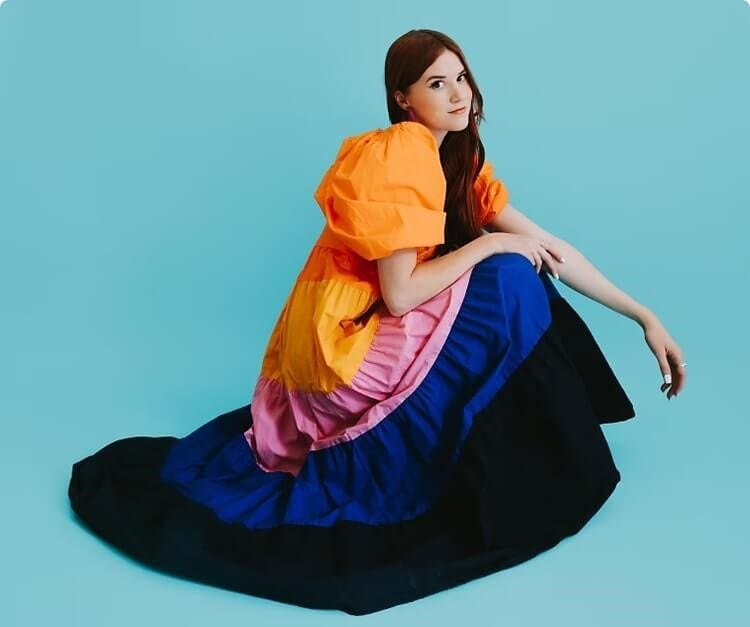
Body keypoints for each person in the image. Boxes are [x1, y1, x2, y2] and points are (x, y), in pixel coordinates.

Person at [68, 29, 687, 615]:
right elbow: (399, 293)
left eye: (461, 77)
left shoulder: (457, 162)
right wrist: (489, 244)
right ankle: (522, 463)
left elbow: (551, 247)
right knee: (507, 277)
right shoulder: (403, 152)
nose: (457, 93)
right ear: (403, 98)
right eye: (437, 83)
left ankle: (525, 454)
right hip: (342, 349)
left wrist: (642, 316)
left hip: (363, 332)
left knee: (521, 274)